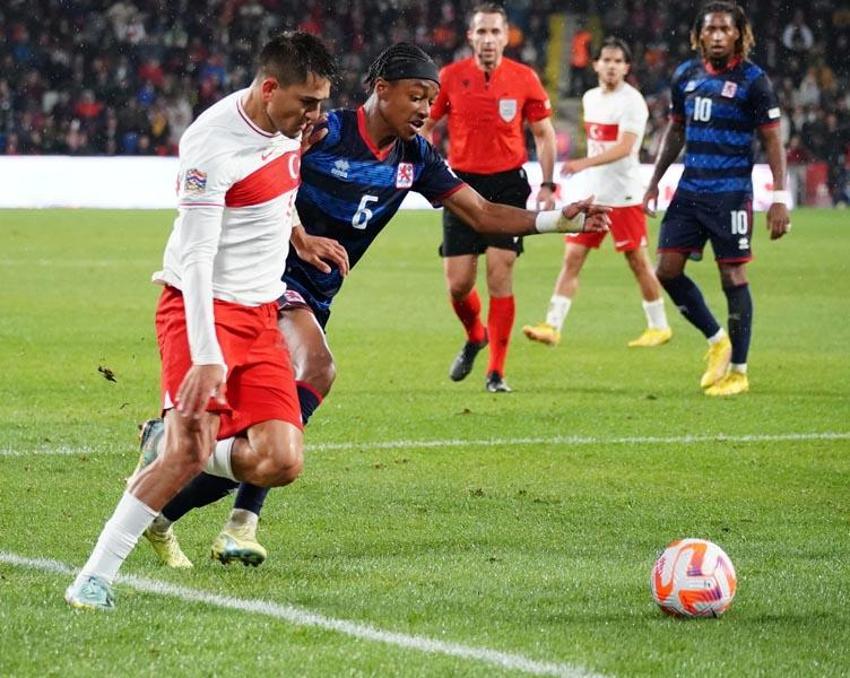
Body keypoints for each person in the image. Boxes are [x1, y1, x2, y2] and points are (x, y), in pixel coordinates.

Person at [137, 43, 611, 570]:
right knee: (318, 368)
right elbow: (263, 172)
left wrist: (559, 220)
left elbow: (481, 213)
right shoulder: (325, 130)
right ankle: (240, 519)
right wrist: (298, 234)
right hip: (263, 279)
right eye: (416, 96)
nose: (425, 109)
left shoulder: (415, 158)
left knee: (279, 432)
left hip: (317, 295)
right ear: (381, 90)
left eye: (431, 100)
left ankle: (169, 512)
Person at [64, 32, 338, 610]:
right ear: (270, 88)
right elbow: (194, 255)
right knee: (187, 453)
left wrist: (298, 236)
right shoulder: (212, 144)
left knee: (281, 460)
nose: (317, 116)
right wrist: (208, 353)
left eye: (321, 103)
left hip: (261, 313)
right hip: (200, 306)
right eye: (308, 103)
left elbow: (282, 185)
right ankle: (93, 577)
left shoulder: (289, 128)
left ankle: (167, 436)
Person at [642, 1, 791, 397]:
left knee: (733, 277)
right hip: (690, 189)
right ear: (699, 35)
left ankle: (739, 372)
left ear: (739, 34)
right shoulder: (685, 76)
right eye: (711, 29)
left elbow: (773, 140)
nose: (719, 36)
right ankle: (717, 340)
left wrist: (779, 197)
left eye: (726, 29)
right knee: (666, 271)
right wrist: (654, 181)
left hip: (731, 194)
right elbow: (675, 131)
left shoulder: (754, 81)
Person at [421, 2, 558, 394]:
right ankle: (475, 335)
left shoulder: (524, 78)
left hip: (508, 184)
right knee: (458, 284)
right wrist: (428, 169)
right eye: (481, 31)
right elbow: (426, 124)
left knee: (500, 272)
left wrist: (548, 184)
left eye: (495, 31)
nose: (488, 39)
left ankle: (496, 372)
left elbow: (544, 134)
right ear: (470, 36)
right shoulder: (450, 77)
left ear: (506, 36)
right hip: (460, 184)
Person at [523, 37, 672, 349]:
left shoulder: (633, 102)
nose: (611, 66)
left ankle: (659, 326)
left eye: (618, 61)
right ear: (595, 65)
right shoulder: (590, 98)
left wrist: (583, 163)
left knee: (637, 261)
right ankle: (552, 326)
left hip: (624, 195)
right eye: (606, 60)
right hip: (594, 194)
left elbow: (625, 147)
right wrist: (587, 169)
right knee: (573, 257)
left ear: (627, 67)